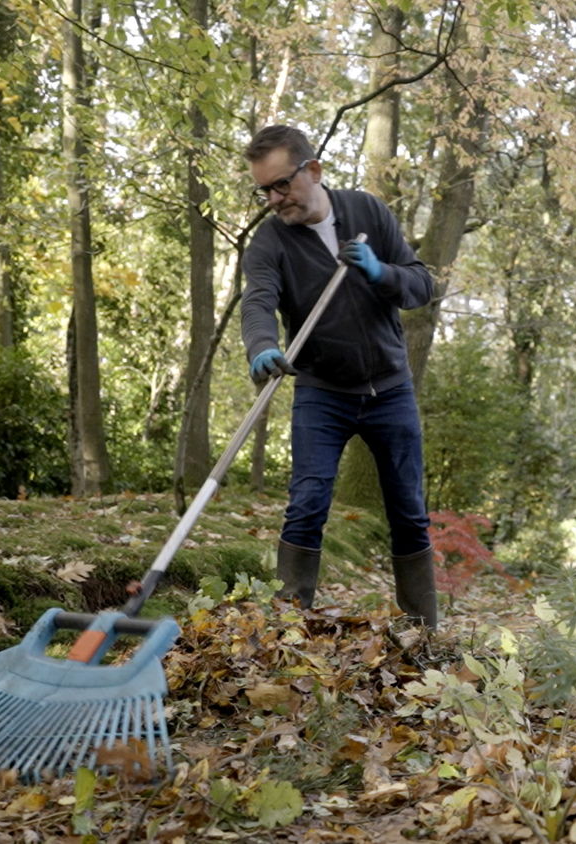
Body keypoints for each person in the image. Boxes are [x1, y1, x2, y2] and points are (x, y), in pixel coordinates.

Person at [240, 125, 438, 628]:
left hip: (390, 388)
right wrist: (262, 347)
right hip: (322, 392)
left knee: (408, 511)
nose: (274, 199)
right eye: (264, 190)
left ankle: (423, 631)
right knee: (306, 504)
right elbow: (258, 300)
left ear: (313, 170)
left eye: (281, 185)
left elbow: (422, 285)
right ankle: (288, 628)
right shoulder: (269, 243)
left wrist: (380, 272)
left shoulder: (368, 212)